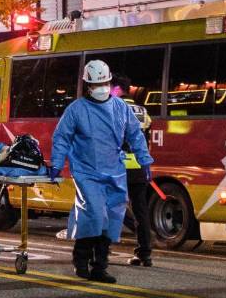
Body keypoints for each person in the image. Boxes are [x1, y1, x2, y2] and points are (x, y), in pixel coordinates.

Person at [48, 60, 153, 284]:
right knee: (94, 214)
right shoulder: (76, 109)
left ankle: (100, 266)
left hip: (114, 170)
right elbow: (62, 137)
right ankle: (81, 259)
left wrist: (145, 161)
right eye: (97, 84)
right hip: (87, 172)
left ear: (109, 81)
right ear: (88, 85)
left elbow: (135, 135)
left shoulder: (120, 108)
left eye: (104, 82)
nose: (101, 87)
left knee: (112, 219)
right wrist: (56, 164)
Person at [113, 75, 155, 267]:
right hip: (138, 167)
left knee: (109, 207)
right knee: (140, 210)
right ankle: (145, 253)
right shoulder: (143, 111)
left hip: (118, 166)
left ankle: (102, 252)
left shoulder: (115, 107)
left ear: (116, 88)